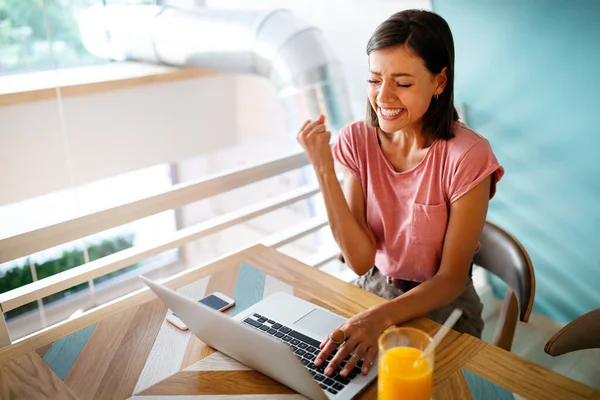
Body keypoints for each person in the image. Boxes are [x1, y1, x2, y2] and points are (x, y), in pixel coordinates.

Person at [296, 9, 504, 380]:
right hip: (373, 288)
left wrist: (379, 318)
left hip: (443, 306)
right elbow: (359, 260)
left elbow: (452, 278)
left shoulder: (467, 156)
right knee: (323, 376)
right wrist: (324, 170)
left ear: (440, 81)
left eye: (403, 83)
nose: (383, 96)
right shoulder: (357, 141)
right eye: (375, 79)